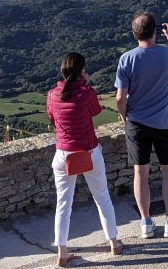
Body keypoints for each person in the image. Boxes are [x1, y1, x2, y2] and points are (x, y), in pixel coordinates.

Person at [114, 13, 168, 239]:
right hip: (165, 122)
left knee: (140, 172)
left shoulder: (126, 59)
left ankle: (146, 223)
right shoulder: (167, 55)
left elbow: (120, 98)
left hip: (136, 123)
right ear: (155, 31)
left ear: (135, 33)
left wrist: (123, 116)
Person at [46, 53, 123, 266]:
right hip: (88, 151)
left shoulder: (52, 94)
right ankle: (114, 243)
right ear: (82, 71)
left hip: (63, 154)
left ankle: (62, 253)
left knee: (63, 204)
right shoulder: (87, 93)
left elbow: (52, 119)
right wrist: (86, 86)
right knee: (102, 198)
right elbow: (96, 111)